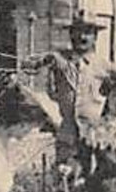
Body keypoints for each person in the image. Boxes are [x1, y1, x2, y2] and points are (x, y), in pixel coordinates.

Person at [29, 15, 108, 169]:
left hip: (94, 135)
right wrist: (43, 61)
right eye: (77, 32)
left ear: (95, 37)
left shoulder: (103, 66)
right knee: (64, 180)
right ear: (70, 35)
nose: (81, 37)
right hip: (68, 134)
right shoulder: (60, 60)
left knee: (93, 179)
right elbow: (32, 64)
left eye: (87, 32)